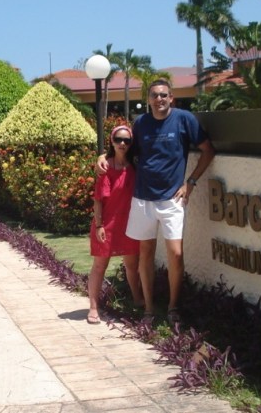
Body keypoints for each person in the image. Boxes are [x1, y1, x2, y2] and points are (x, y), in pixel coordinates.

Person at [97, 79, 215, 324]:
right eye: (154, 95)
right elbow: (125, 149)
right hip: (143, 199)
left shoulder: (184, 119)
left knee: (176, 254)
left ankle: (173, 307)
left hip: (172, 200)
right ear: (148, 99)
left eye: (163, 95)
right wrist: (102, 156)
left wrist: (190, 183)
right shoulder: (141, 123)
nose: (159, 99)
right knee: (146, 254)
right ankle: (149, 309)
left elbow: (208, 150)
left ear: (171, 98)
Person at [87, 126, 143, 324]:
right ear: (112, 141)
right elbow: (98, 200)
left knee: (132, 265)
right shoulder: (105, 168)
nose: (122, 143)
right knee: (99, 266)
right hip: (107, 224)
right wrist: (99, 225)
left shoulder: (135, 165)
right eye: (118, 139)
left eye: (127, 140)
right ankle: (93, 308)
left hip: (129, 224)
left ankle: (138, 299)